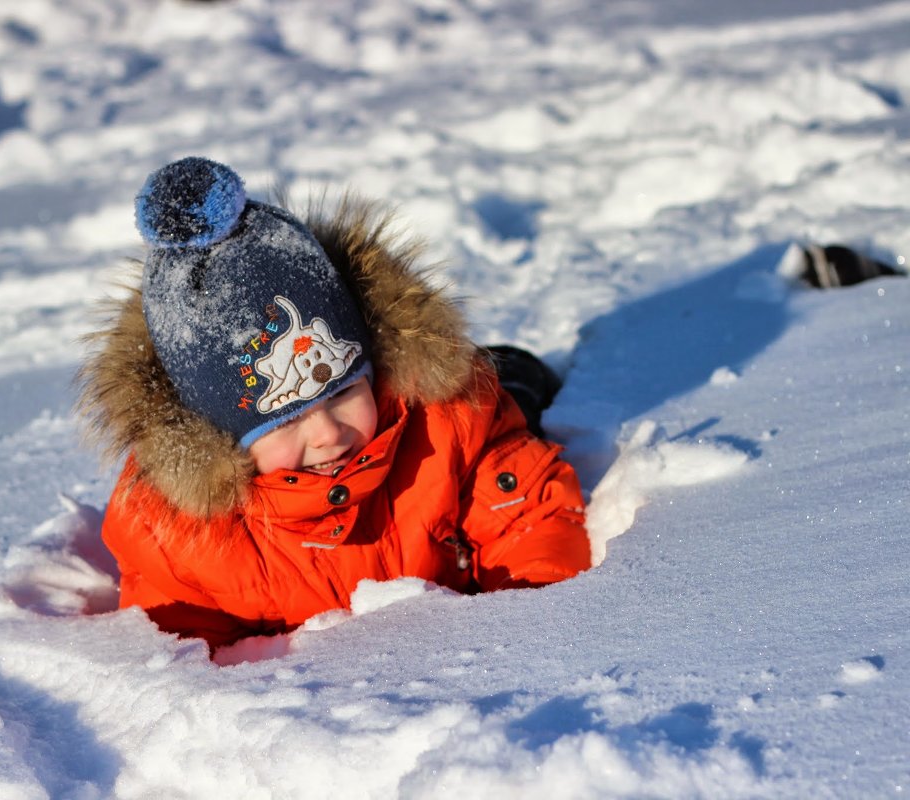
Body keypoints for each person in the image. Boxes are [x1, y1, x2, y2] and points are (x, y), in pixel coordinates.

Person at [74, 157, 576, 649]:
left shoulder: (445, 423)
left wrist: (526, 632)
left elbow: (529, 519)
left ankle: (515, 374)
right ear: (217, 436)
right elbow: (179, 663)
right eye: (285, 421)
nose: (328, 434)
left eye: (342, 392)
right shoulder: (178, 535)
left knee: (498, 394)